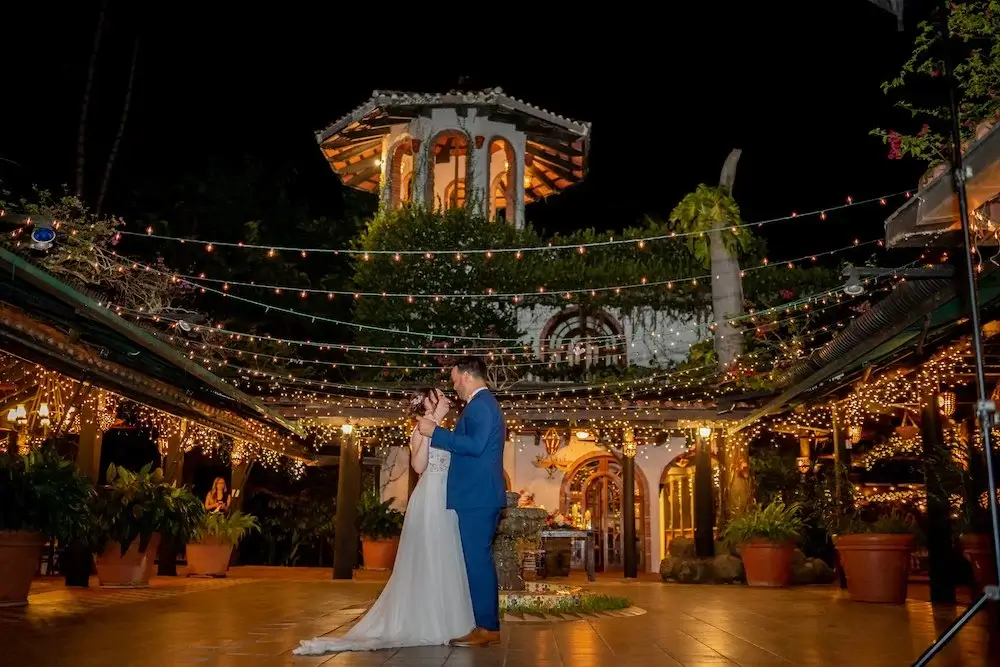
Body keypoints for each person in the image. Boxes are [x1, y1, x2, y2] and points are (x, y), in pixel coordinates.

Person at [294, 387, 475, 655]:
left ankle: (449, 618)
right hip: (429, 498)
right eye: (438, 396)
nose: (445, 398)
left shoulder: (448, 431)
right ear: (428, 403)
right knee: (427, 554)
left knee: (446, 554)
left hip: (449, 498)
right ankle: (425, 620)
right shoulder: (420, 430)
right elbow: (419, 466)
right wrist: (429, 428)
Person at [415, 356, 506, 648]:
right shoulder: (484, 404)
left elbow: (476, 446)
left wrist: (435, 433)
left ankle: (487, 627)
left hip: (477, 497)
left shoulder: (480, 405)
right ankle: (486, 625)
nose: (454, 386)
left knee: (478, 561)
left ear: (467, 376)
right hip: (479, 495)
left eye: (455, 379)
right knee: (478, 560)